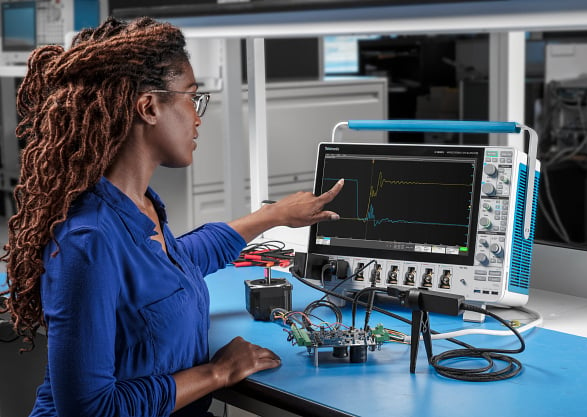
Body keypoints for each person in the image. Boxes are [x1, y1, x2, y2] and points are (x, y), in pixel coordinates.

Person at [0, 16, 343, 417]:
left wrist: (272, 216)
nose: (198, 117)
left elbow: (176, 263)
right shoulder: (88, 240)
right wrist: (216, 372)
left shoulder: (139, 203)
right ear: (148, 107)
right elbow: (90, 410)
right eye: (191, 99)